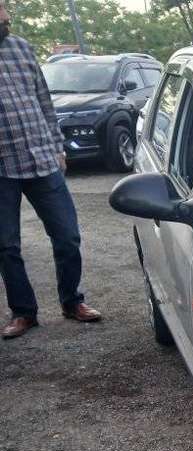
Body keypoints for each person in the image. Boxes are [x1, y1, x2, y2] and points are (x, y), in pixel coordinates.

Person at [0, 0, 101, 340]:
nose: (5, 16)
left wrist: (57, 144)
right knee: (6, 245)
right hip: (2, 167)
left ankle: (72, 301)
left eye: (4, 9)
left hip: (42, 158)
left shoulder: (21, 48)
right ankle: (24, 312)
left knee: (67, 236)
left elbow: (43, 98)